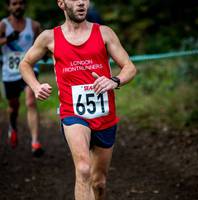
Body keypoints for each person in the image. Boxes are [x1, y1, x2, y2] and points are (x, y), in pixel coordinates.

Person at [19, 0, 137, 199]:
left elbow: (130, 68)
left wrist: (114, 81)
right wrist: (36, 86)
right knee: (83, 169)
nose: (81, 2)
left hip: (105, 114)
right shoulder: (49, 37)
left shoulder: (104, 33)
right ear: (61, 3)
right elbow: (26, 63)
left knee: (99, 182)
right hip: (73, 113)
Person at [0, 0, 44, 157]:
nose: (17, 6)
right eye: (14, 3)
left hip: (30, 69)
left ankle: (35, 142)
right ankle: (12, 125)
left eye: (20, 3)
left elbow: (43, 45)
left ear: (24, 5)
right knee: (13, 106)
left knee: (31, 101)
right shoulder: (3, 25)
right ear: (9, 6)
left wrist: (45, 54)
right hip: (10, 72)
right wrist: (7, 39)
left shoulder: (34, 25)